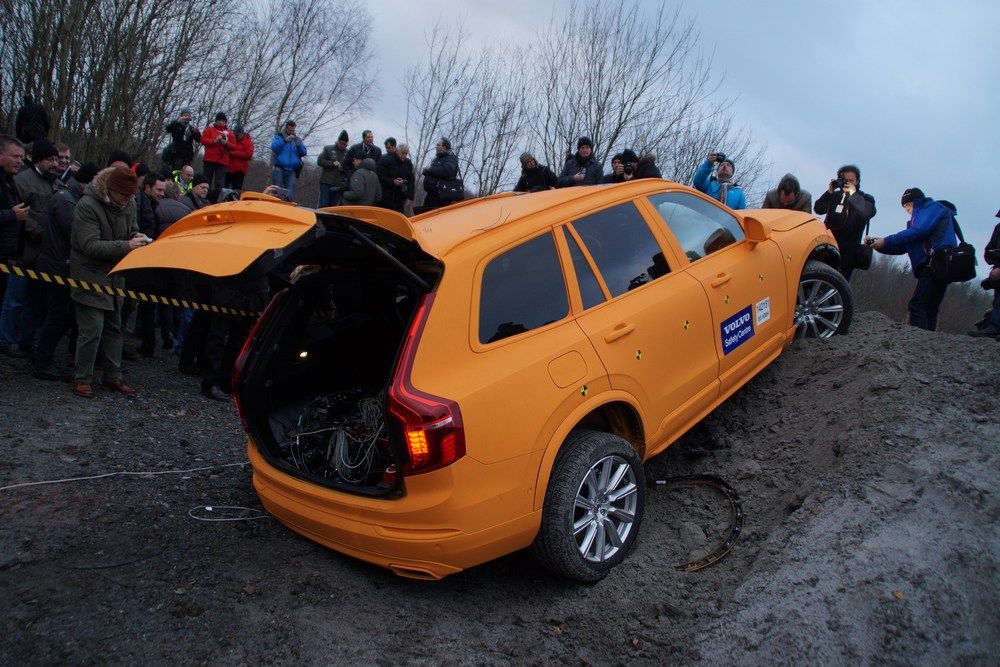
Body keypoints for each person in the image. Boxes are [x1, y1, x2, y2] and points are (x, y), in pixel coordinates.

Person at [69, 165, 149, 398]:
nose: (128, 200)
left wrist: (137, 236)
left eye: (131, 196)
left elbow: (132, 229)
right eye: (124, 195)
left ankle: (113, 377)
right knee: (92, 330)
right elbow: (88, 245)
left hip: (116, 277)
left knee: (115, 329)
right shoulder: (87, 205)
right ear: (111, 189)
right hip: (90, 278)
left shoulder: (130, 203)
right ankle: (82, 378)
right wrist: (126, 246)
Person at [32, 162, 100, 380]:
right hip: (57, 265)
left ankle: (42, 356)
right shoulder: (65, 199)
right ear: (88, 181)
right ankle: (42, 361)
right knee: (58, 316)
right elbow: (76, 233)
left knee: (61, 315)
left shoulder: (71, 197)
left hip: (61, 264)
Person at [0, 139, 66, 358]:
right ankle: (6, 339)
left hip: (44, 254)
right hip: (23, 250)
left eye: (57, 159)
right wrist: (40, 232)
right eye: (51, 159)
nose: (55, 163)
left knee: (35, 301)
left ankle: (27, 339)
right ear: (38, 159)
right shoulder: (21, 181)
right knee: (15, 298)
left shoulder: (55, 183)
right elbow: (20, 214)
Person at [865, 188, 956, 331]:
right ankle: (929, 342)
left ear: (915, 202)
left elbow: (919, 231)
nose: (907, 210)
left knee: (917, 306)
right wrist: (879, 245)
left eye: (908, 205)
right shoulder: (924, 220)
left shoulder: (932, 209)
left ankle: (919, 342)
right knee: (929, 308)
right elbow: (904, 247)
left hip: (935, 263)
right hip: (939, 265)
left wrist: (886, 241)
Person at [814, 164, 876, 281]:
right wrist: (830, 192)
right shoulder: (835, 196)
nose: (848, 183)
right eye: (845, 181)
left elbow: (867, 212)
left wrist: (852, 194)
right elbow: (818, 208)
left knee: (838, 288)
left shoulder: (865, 198)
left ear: (857, 181)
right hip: (827, 249)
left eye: (851, 181)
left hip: (848, 254)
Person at [0, 137, 29, 306]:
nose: (20, 161)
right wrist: (12, 215)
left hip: (6, 255)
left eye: (21, 157)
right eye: (15, 156)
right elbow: (11, 214)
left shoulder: (10, 180)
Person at [969, 210, 1000, 338]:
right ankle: (993, 325)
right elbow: (988, 251)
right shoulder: (998, 228)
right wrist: (994, 258)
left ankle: (994, 327)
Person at [270, 120, 307, 201]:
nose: (292, 132)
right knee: (277, 191)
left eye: (293, 130)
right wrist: (284, 141)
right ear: (286, 128)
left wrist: (299, 146)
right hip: (279, 167)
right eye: (290, 130)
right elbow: (274, 148)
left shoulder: (297, 139)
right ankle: (275, 206)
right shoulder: (279, 137)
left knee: (290, 191)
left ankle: (287, 207)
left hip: (292, 170)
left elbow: (304, 153)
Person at [421, 137, 460, 211]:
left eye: (438, 145)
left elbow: (447, 170)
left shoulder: (451, 158)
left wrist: (430, 169)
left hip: (441, 197)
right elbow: (435, 173)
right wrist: (426, 172)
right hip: (431, 195)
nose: (436, 147)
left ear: (444, 147)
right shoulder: (438, 158)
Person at [376, 143, 414, 214]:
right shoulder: (385, 160)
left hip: (400, 199)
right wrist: (392, 181)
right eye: (403, 153)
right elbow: (380, 177)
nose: (404, 156)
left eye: (406, 154)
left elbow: (411, 181)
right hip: (385, 198)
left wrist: (409, 197)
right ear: (397, 151)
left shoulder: (408, 163)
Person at [200, 112, 233, 191]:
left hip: (222, 162)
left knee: (219, 183)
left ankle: (217, 199)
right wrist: (214, 141)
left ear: (225, 122)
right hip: (209, 160)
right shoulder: (209, 129)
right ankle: (205, 198)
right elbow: (203, 140)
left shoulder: (230, 134)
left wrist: (226, 143)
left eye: (223, 121)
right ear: (216, 121)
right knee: (206, 181)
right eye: (219, 120)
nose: (221, 122)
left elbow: (234, 146)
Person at [317, 130, 349, 207]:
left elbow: (349, 167)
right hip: (326, 182)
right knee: (323, 205)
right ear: (338, 141)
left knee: (333, 207)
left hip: (338, 184)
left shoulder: (347, 153)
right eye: (341, 143)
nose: (342, 145)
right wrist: (332, 163)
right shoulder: (328, 149)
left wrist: (343, 168)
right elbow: (320, 161)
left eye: (345, 144)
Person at [225, 124, 254, 190]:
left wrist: (234, 153)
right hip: (227, 168)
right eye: (234, 132)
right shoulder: (231, 139)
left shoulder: (247, 142)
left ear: (241, 133)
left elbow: (249, 154)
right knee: (224, 188)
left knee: (236, 190)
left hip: (239, 171)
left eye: (236, 132)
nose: (235, 134)